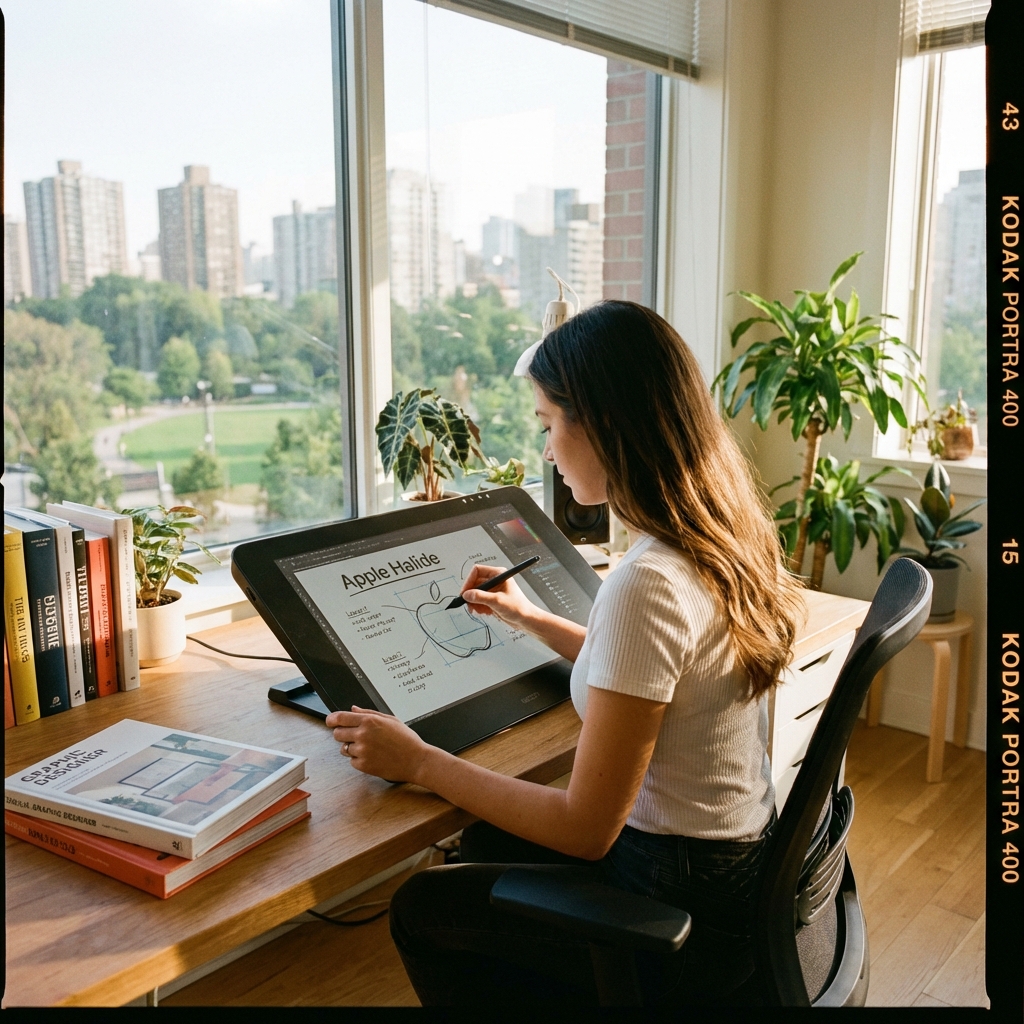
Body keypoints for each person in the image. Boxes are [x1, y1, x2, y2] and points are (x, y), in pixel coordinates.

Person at [326, 300, 806, 1005]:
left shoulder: (646, 581)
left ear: (605, 425)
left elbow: (585, 828)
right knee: (487, 848)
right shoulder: (713, 536)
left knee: (425, 907)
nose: (547, 449)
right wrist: (527, 618)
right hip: (731, 867)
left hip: (680, 896)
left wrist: (420, 761)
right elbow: (653, 682)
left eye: (550, 424)